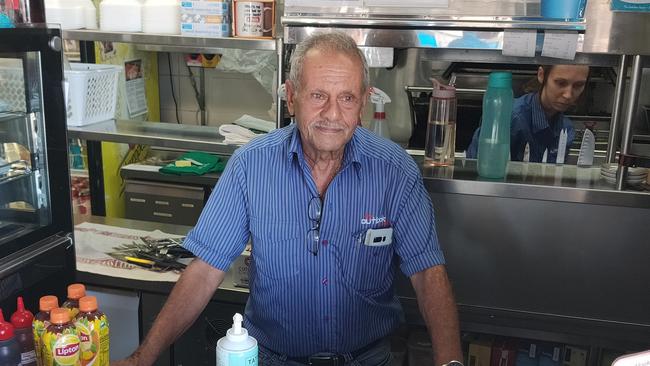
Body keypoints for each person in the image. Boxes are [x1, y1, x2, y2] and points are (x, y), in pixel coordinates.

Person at [114, 32, 462, 366]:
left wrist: (451, 363)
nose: (332, 114)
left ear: (363, 102)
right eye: (318, 95)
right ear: (291, 96)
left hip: (367, 359)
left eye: (347, 98)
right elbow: (205, 269)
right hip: (270, 359)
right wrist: (142, 358)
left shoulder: (395, 170)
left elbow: (428, 272)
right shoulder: (251, 165)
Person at [466, 64, 589, 163]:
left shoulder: (566, 129)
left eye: (578, 85)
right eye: (560, 83)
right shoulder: (510, 118)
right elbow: (474, 168)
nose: (568, 95)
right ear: (541, 75)